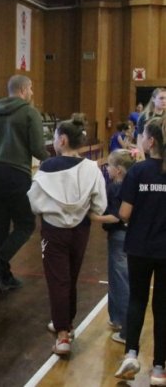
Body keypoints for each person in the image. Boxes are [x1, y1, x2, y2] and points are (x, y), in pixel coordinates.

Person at [27, 118, 107, 356]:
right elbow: (100, 204)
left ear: (62, 140)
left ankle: (62, 334)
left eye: (54, 136)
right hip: (81, 229)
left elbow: (34, 202)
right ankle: (66, 322)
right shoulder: (91, 168)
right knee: (71, 277)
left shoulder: (47, 167)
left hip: (54, 230)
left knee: (58, 280)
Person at [0, 74, 49, 292]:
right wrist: (55, 161)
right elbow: (37, 148)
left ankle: (4, 275)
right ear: (23, 90)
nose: (32, 93)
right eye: (31, 88)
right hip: (16, 173)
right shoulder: (29, 112)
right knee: (26, 223)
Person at [114, 117, 166, 385]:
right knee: (163, 306)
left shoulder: (137, 171)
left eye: (143, 135)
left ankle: (131, 354)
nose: (140, 139)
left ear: (151, 141)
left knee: (137, 299)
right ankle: (159, 368)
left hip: (139, 247)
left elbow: (124, 213)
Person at [89, 149, 136, 345]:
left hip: (119, 236)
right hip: (125, 236)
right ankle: (116, 318)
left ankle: (126, 328)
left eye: (109, 165)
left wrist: (93, 217)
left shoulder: (117, 188)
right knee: (116, 278)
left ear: (118, 170)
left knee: (120, 279)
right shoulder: (131, 184)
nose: (106, 168)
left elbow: (117, 216)